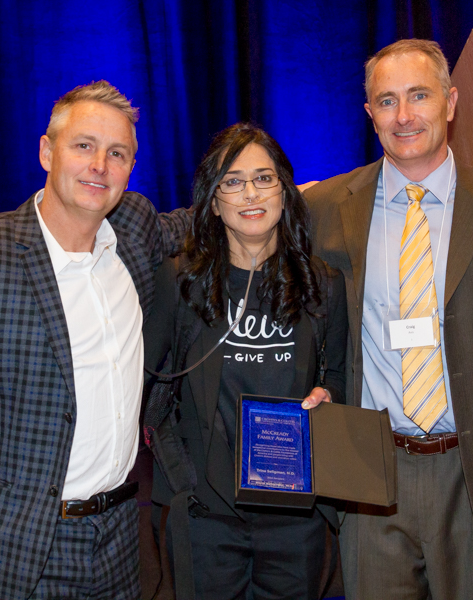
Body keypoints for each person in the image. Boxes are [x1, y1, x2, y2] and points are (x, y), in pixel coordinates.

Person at [0, 81, 190, 599]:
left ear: (131, 167)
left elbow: (196, 223)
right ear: (47, 151)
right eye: (83, 146)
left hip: (119, 543)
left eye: (117, 153)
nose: (100, 165)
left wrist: (292, 195)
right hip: (15, 551)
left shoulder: (133, 229)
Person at [302, 39, 473, 599]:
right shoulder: (324, 208)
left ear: (450, 103)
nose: (403, 115)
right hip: (369, 472)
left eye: (419, 96)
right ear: (370, 114)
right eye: (387, 101)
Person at [143, 123, 347, 600]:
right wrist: (180, 478)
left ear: (285, 192)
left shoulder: (323, 285)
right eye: (232, 181)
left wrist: (328, 395)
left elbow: (338, 375)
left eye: (264, 178)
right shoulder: (181, 282)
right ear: (214, 202)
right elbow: (143, 382)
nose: (250, 193)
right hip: (205, 516)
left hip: (296, 520)